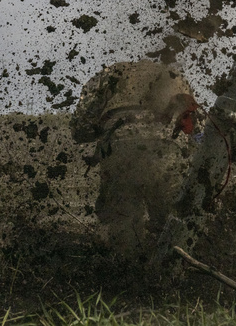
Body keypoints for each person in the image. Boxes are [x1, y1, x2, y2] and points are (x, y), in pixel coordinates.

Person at [70, 60, 200, 261]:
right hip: (168, 150)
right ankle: (175, 273)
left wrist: (100, 131)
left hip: (120, 147)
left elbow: (80, 126)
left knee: (122, 220)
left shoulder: (110, 74)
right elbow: (197, 130)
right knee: (174, 219)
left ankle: (127, 275)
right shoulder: (174, 75)